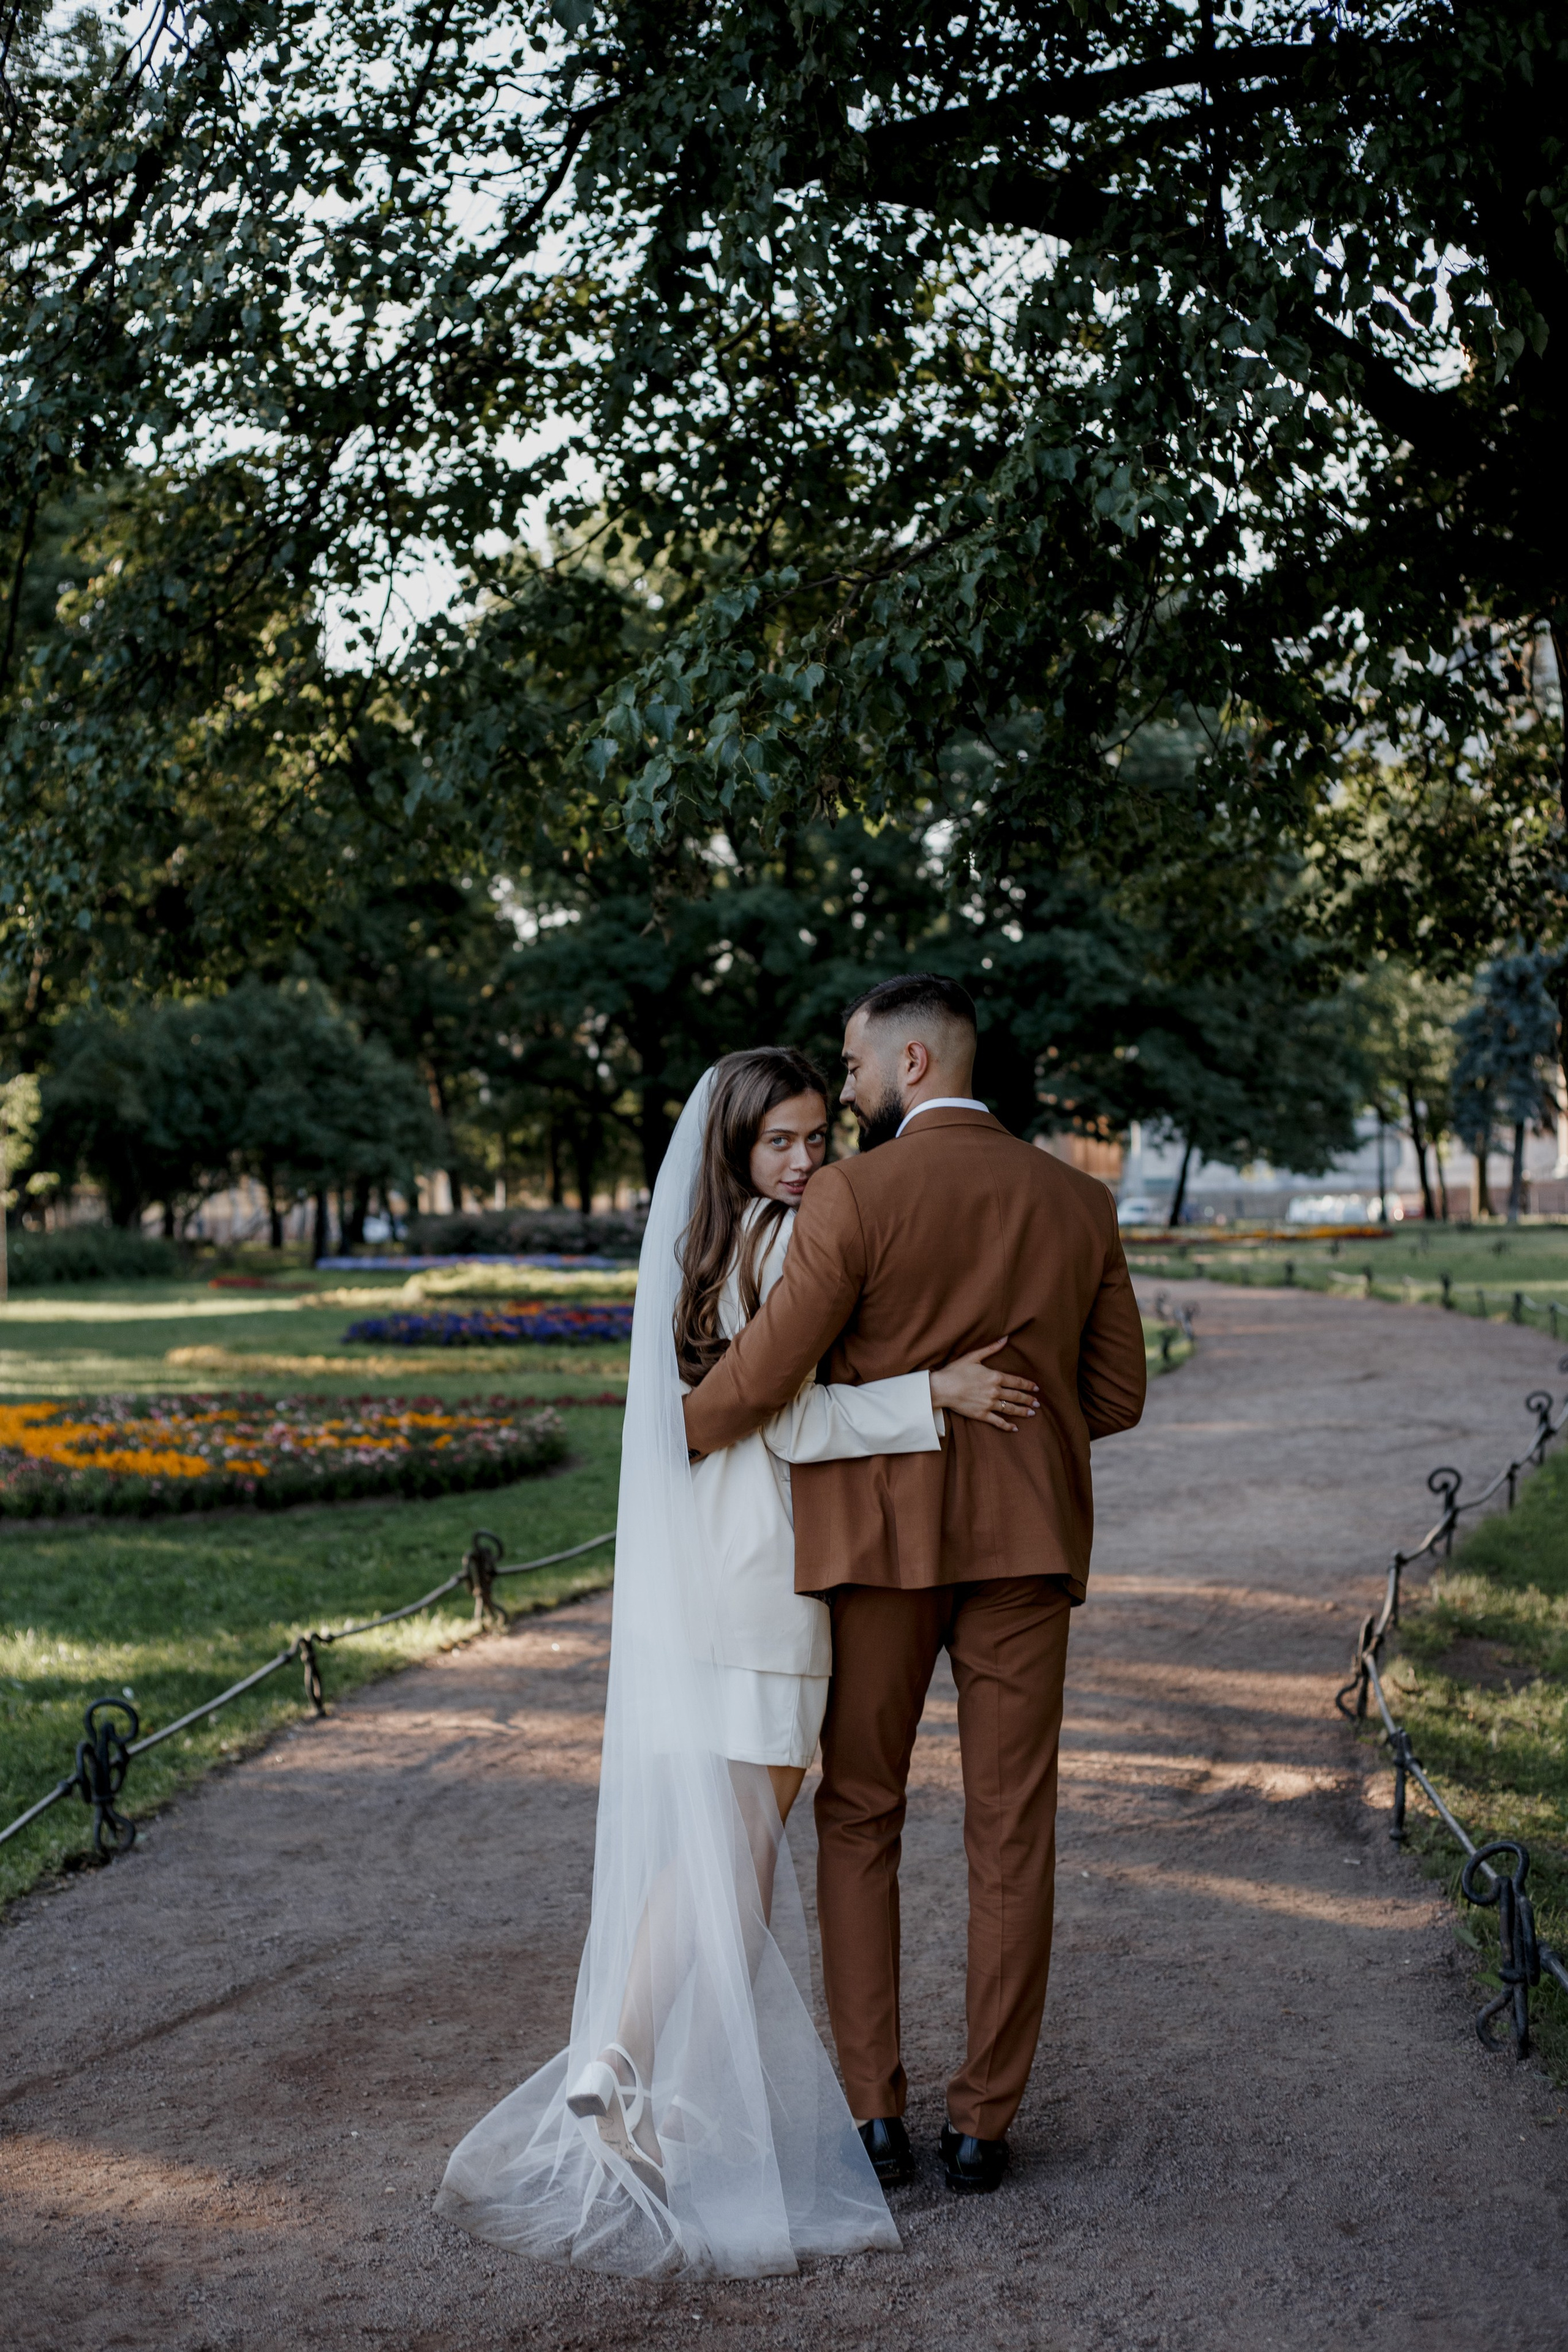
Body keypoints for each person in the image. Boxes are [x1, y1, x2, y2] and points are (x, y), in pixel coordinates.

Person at [435, 1047, 1033, 2277]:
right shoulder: (778, 1243)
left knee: (722, 1827)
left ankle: (629, 2077)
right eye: (783, 1143)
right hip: (763, 1566)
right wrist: (937, 1393)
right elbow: (789, 1415)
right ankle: (618, 2059)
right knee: (740, 1839)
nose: (809, 1160)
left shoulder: (696, 1251)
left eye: (821, 1138)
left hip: (692, 1561)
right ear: (736, 1155)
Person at [682, 976, 1147, 2196]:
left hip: (877, 1553)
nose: (843, 1088)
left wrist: (667, 1433)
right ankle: (983, 2126)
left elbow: (768, 1374)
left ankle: (871, 2119)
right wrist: (1015, 1440)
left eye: (854, 1065)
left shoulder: (850, 1195)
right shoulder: (1076, 1201)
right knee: (1011, 1828)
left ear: (915, 1061)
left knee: (860, 1816)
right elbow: (1116, 1399)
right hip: (1025, 1552)